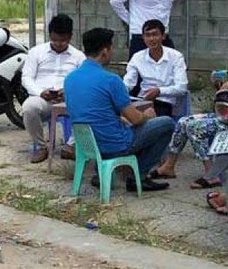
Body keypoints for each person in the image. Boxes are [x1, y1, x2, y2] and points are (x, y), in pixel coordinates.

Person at [64, 28, 174, 192]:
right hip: (114, 144)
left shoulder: (70, 78)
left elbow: (94, 112)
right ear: (105, 51)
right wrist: (147, 116)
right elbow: (135, 119)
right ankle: (139, 175)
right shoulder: (110, 80)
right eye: (111, 48)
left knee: (122, 126)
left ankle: (102, 173)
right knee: (166, 123)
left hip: (86, 143)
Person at [150, 26, 228, 188]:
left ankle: (212, 173)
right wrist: (221, 86)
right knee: (183, 122)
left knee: (195, 128)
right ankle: (169, 165)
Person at [21, 14, 85, 163]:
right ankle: (42, 146)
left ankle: (70, 146)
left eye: (63, 40)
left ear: (70, 37)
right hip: (43, 98)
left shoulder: (78, 56)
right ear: (49, 35)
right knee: (29, 107)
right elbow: (26, 78)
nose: (58, 43)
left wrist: (68, 91)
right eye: (55, 39)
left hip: (68, 99)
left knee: (88, 107)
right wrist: (40, 92)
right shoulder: (36, 52)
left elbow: (82, 81)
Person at [123, 19, 188, 117]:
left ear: (163, 36)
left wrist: (159, 91)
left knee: (152, 120)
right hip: (142, 100)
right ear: (143, 38)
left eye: (155, 34)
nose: (151, 39)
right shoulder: (137, 57)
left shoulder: (176, 56)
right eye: (147, 35)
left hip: (165, 102)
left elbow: (182, 88)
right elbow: (128, 82)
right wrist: (118, 91)